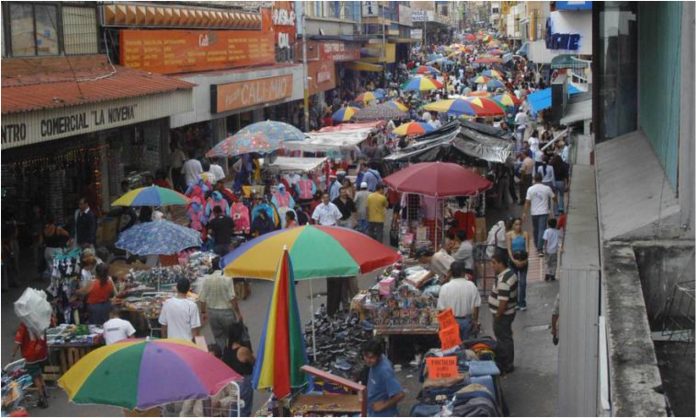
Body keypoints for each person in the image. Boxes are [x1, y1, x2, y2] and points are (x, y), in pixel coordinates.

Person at [199, 262, 242, 351]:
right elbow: (232, 297)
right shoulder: (227, 278)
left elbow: (202, 299)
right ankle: (233, 357)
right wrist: (238, 313)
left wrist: (203, 312)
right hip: (226, 312)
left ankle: (222, 355)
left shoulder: (207, 279)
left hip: (212, 313)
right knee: (232, 337)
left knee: (218, 337)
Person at [488, 253, 517, 375]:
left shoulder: (504, 281)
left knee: (503, 339)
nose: (492, 265)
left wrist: (498, 316)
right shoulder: (509, 274)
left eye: (494, 263)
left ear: (501, 263)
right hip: (508, 313)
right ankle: (507, 362)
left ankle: (506, 364)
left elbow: (503, 302)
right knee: (506, 337)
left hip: (503, 315)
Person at [437, 260, 481, 340]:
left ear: (451, 273)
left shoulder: (445, 288)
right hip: (467, 322)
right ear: (463, 273)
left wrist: (442, 326)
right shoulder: (471, 286)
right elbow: (476, 306)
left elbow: (441, 310)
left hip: (451, 322)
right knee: (467, 346)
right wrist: (475, 322)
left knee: (454, 349)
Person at [361, 339, 405, 416]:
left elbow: (400, 394)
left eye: (371, 358)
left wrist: (383, 405)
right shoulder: (375, 363)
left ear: (378, 356)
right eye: (366, 356)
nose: (368, 361)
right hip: (371, 411)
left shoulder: (384, 371)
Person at [11, 321, 49, 408]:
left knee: (35, 376)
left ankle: (42, 398)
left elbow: (18, 341)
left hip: (30, 355)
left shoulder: (24, 326)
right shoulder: (38, 323)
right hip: (41, 354)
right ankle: (45, 392)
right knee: (39, 373)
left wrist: (12, 355)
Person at [222, 322, 255, 417]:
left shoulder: (226, 349)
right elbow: (253, 362)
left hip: (231, 383)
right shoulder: (243, 350)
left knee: (234, 409)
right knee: (244, 410)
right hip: (243, 382)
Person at [522, 174, 556, 255]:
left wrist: (524, 213)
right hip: (544, 212)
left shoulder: (530, 189)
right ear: (542, 179)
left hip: (534, 212)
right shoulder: (547, 188)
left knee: (536, 229)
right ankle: (539, 248)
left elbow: (527, 202)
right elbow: (554, 197)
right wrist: (554, 206)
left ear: (534, 179)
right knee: (542, 230)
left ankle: (537, 245)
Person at [506, 218, 530, 311]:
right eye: (516, 224)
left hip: (524, 260)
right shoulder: (509, 235)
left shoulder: (525, 234)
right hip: (513, 261)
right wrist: (513, 260)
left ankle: (522, 302)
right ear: (513, 225)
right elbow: (509, 249)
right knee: (514, 283)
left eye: (519, 224)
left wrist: (525, 260)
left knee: (523, 283)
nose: (518, 226)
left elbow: (527, 248)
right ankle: (515, 302)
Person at [40, 214, 70, 278]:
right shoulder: (58, 229)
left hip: (47, 250)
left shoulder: (44, 229)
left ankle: (53, 283)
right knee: (59, 269)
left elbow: (41, 241)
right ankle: (58, 284)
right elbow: (67, 234)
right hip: (56, 250)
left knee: (51, 270)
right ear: (54, 220)